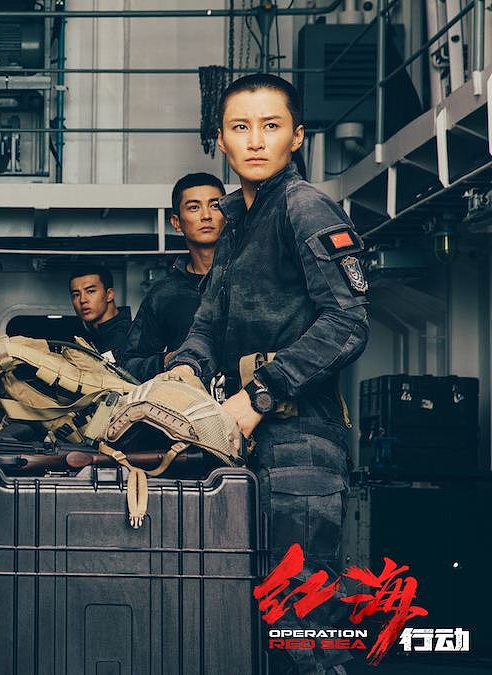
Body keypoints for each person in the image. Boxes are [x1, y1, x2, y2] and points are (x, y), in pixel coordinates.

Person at [165, 73, 368, 675]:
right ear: (221, 141)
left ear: (296, 137)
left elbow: (347, 322)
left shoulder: (305, 208)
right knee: (251, 616)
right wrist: (181, 373)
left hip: (301, 440)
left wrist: (260, 393)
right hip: (243, 441)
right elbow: (209, 322)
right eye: (240, 127)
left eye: (271, 126)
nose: (255, 141)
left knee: (301, 625)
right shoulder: (236, 220)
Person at [122, 173, 225, 380]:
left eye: (215, 205)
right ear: (176, 222)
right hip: (188, 397)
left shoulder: (254, 279)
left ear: (229, 214)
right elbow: (129, 364)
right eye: (194, 207)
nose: (206, 215)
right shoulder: (163, 294)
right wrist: (167, 361)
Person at [68, 264, 130, 361]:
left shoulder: (129, 337)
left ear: (109, 295)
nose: (82, 300)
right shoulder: (84, 337)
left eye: (90, 291)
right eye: (76, 295)